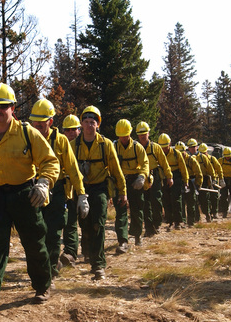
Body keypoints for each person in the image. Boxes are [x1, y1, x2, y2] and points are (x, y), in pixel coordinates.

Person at [0, 83, 59, 319]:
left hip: (24, 196)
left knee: (34, 243)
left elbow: (50, 161)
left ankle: (42, 286)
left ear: (13, 108)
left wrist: (44, 183)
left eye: (3, 106)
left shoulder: (28, 133)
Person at [28, 99, 89, 279]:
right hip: (33, 191)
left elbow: (73, 169)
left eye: (42, 124)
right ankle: (41, 268)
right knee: (36, 233)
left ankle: (51, 271)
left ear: (51, 122)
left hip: (56, 191)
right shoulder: (27, 137)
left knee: (54, 233)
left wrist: (82, 195)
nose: (37, 127)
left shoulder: (61, 141)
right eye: (35, 123)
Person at [71, 106, 126, 280]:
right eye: (86, 122)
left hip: (100, 188)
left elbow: (116, 171)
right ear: (81, 124)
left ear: (98, 125)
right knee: (85, 224)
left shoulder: (106, 144)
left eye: (92, 122)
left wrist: (123, 192)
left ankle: (99, 265)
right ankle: (87, 251)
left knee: (99, 224)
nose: (89, 126)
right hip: (81, 190)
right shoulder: (74, 146)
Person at [113, 119, 149, 253]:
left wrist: (142, 177)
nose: (123, 138)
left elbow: (145, 163)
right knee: (120, 212)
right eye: (120, 136)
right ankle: (122, 241)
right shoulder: (114, 146)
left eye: (125, 135)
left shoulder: (136, 147)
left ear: (130, 134)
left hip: (135, 181)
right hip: (120, 181)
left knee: (137, 209)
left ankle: (137, 235)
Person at [136, 122, 173, 238]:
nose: (143, 136)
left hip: (154, 176)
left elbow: (164, 163)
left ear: (148, 133)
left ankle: (157, 224)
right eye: (140, 134)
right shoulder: (135, 148)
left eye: (144, 133)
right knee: (145, 203)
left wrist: (169, 176)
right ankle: (148, 228)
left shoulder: (155, 147)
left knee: (156, 201)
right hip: (141, 177)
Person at [60, 115, 83, 268]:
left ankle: (89, 251)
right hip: (65, 189)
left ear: (79, 130)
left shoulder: (85, 144)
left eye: (73, 129)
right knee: (69, 222)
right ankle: (70, 253)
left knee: (86, 223)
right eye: (67, 130)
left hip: (83, 188)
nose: (70, 133)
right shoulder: (59, 144)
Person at [160, 134, 188, 230]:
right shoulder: (159, 154)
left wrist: (186, 181)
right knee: (166, 200)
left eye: (165, 146)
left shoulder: (177, 154)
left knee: (176, 200)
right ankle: (170, 221)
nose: (164, 149)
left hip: (176, 177)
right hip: (164, 177)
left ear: (170, 144)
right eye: (162, 147)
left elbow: (183, 168)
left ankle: (178, 221)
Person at [188, 138, 215, 222]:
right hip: (191, 180)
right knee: (193, 200)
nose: (192, 149)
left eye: (194, 147)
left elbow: (210, 169)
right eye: (190, 147)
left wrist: (213, 179)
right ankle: (196, 218)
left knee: (204, 199)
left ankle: (207, 214)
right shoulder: (187, 157)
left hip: (202, 180)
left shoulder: (203, 157)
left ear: (197, 147)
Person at [177, 141, 202, 226]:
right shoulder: (176, 161)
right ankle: (182, 221)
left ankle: (191, 221)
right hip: (180, 181)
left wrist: (198, 184)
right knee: (181, 203)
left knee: (191, 202)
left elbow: (199, 173)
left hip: (191, 182)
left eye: (181, 152)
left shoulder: (191, 160)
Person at [199, 143, 223, 220]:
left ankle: (215, 212)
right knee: (205, 198)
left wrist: (221, 179)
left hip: (213, 179)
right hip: (204, 179)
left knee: (214, 197)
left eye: (204, 153)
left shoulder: (212, 159)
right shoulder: (198, 159)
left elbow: (219, 169)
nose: (203, 154)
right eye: (201, 153)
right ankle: (207, 213)